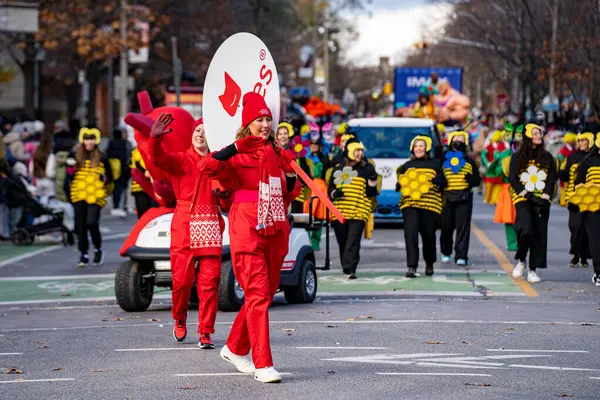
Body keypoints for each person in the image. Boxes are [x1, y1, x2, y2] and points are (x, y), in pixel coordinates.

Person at [199, 92, 300, 383]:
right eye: (260, 120)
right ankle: (263, 363)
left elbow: (289, 192)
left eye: (269, 119)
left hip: (276, 226)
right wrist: (232, 149)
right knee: (256, 293)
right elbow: (205, 168)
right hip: (247, 227)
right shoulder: (236, 152)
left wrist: (291, 171)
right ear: (248, 124)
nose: (266, 124)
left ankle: (233, 347)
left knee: (266, 293)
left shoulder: (276, 152)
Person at [148, 116, 224, 349]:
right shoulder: (181, 160)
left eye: (205, 131)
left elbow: (230, 195)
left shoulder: (219, 163)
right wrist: (155, 138)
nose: (200, 134)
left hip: (210, 222)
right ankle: (179, 317)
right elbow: (157, 158)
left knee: (210, 283)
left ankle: (205, 331)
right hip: (185, 224)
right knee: (182, 281)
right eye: (197, 130)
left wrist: (226, 197)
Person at [509, 123, 557, 283]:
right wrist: (522, 190)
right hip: (523, 198)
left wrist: (547, 194)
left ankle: (533, 269)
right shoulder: (517, 157)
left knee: (539, 233)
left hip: (541, 200)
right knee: (525, 229)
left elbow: (551, 177)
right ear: (528, 136)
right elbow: (513, 177)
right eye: (535, 133)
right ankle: (522, 259)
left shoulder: (547, 157)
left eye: (540, 133)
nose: (538, 136)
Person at [328, 139, 379, 278]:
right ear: (349, 151)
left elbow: (371, 193)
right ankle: (347, 266)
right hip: (341, 211)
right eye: (357, 150)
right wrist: (334, 193)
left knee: (353, 240)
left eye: (361, 151)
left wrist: (373, 182)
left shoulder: (367, 169)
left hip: (359, 210)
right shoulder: (338, 169)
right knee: (342, 240)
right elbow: (330, 189)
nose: (359, 153)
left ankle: (350, 270)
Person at [396, 136, 446, 277]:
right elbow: (401, 182)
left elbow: (443, 182)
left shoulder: (435, 164)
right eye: (416, 146)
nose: (418, 148)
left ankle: (429, 263)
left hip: (429, 204)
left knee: (428, 235)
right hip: (410, 203)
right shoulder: (406, 166)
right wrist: (399, 185)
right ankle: (412, 266)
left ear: (427, 148)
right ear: (412, 148)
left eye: (421, 146)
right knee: (410, 234)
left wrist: (438, 181)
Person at [69, 127, 113, 267]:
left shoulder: (102, 156)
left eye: (92, 138)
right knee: (80, 225)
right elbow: (69, 176)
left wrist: (103, 179)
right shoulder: (75, 155)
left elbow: (110, 176)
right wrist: (69, 167)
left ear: (96, 140)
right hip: (79, 194)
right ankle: (83, 254)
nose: (89, 141)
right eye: (87, 138)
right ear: (83, 140)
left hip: (95, 194)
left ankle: (98, 249)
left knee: (92, 223)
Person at [440, 131, 481, 266]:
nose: (459, 140)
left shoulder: (470, 161)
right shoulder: (443, 159)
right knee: (446, 226)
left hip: (464, 197)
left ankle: (461, 255)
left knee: (463, 228)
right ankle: (446, 252)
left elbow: (477, 180)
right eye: (456, 138)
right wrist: (441, 182)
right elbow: (437, 176)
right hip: (446, 197)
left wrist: (471, 180)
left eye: (461, 138)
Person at [29, 133, 75, 235]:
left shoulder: (36, 154)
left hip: (38, 182)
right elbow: (50, 173)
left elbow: (31, 170)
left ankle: (39, 228)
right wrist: (55, 174)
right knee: (52, 206)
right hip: (49, 183)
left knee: (42, 206)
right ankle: (48, 230)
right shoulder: (50, 156)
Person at [559, 132, 593, 268]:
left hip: (591, 199)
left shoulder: (594, 158)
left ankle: (584, 257)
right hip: (573, 198)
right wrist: (559, 172)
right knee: (574, 226)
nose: (581, 143)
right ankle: (575, 255)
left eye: (584, 140)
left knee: (586, 228)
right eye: (579, 140)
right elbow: (566, 174)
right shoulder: (572, 157)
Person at [574, 132, 600, 287]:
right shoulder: (589, 161)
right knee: (596, 239)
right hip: (593, 208)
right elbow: (579, 183)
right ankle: (598, 272)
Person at [107, 126, 131, 217]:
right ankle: (122, 206)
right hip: (123, 169)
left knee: (115, 188)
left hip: (113, 170)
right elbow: (126, 156)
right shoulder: (124, 143)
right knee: (122, 188)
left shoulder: (111, 143)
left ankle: (116, 205)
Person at [481, 130, 507, 205]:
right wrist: (487, 163)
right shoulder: (489, 146)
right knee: (489, 183)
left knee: (498, 184)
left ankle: (495, 199)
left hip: (499, 167)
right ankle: (487, 198)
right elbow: (483, 155)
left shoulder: (504, 145)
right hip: (491, 167)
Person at [130, 146, 156, 218]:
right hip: (140, 187)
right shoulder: (135, 152)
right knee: (143, 214)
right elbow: (137, 167)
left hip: (153, 187)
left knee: (151, 214)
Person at [557, 133, 578, 207]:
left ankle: (570, 200)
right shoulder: (563, 149)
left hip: (573, 169)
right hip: (564, 169)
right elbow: (559, 158)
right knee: (563, 185)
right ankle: (563, 201)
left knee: (571, 185)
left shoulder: (575, 149)